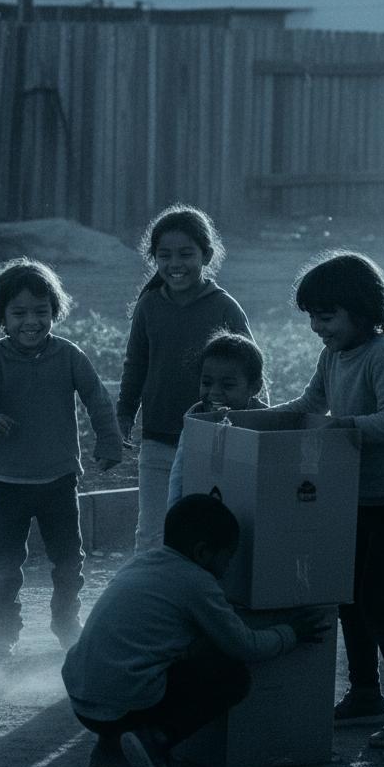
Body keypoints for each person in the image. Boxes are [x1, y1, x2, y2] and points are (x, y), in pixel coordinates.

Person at [61, 495, 326, 767]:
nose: (228, 569)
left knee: (168, 656)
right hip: (123, 704)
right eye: (228, 557)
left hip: (83, 701)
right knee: (232, 677)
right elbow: (246, 646)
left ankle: (111, 749)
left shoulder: (141, 562)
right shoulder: (196, 582)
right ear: (202, 552)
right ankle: (155, 740)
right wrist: (291, 632)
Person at [269, 251, 384, 748]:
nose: (316, 326)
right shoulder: (333, 355)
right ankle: (365, 695)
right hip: (356, 496)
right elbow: (309, 404)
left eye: (325, 315)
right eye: (312, 316)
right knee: (350, 599)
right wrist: (255, 418)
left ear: (360, 310)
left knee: (380, 602)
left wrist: (344, 427)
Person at [0, 258, 124, 656]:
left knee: (69, 559)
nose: (31, 321)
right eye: (19, 313)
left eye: (41, 311)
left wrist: (109, 440)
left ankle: (66, 618)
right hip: (9, 482)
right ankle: (5, 626)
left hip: (59, 480)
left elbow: (96, 398)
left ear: (55, 311)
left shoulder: (68, 355)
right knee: (5, 560)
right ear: (1, 316)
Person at [116, 205, 253, 553]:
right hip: (159, 436)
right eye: (165, 255)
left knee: (205, 530)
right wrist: (124, 415)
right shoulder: (149, 306)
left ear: (206, 255)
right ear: (154, 259)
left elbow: (250, 371)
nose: (175, 263)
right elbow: (135, 365)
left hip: (213, 437)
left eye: (185, 254)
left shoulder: (225, 308)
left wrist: (250, 420)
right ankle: (150, 602)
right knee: (152, 532)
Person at [167, 332, 268, 507]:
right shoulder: (196, 418)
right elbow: (179, 477)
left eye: (228, 385)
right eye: (206, 383)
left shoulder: (265, 420)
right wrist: (174, 517)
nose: (214, 392)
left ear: (255, 387)